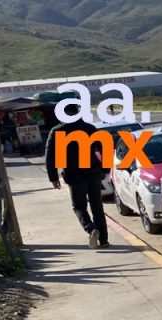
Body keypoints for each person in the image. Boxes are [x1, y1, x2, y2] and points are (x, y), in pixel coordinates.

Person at [45, 104, 109, 248]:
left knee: (79, 207)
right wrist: (105, 169)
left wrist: (53, 177)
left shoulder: (57, 131)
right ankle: (103, 240)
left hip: (74, 176)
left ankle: (91, 229)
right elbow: (104, 147)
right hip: (93, 173)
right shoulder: (89, 129)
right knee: (97, 207)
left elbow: (50, 157)